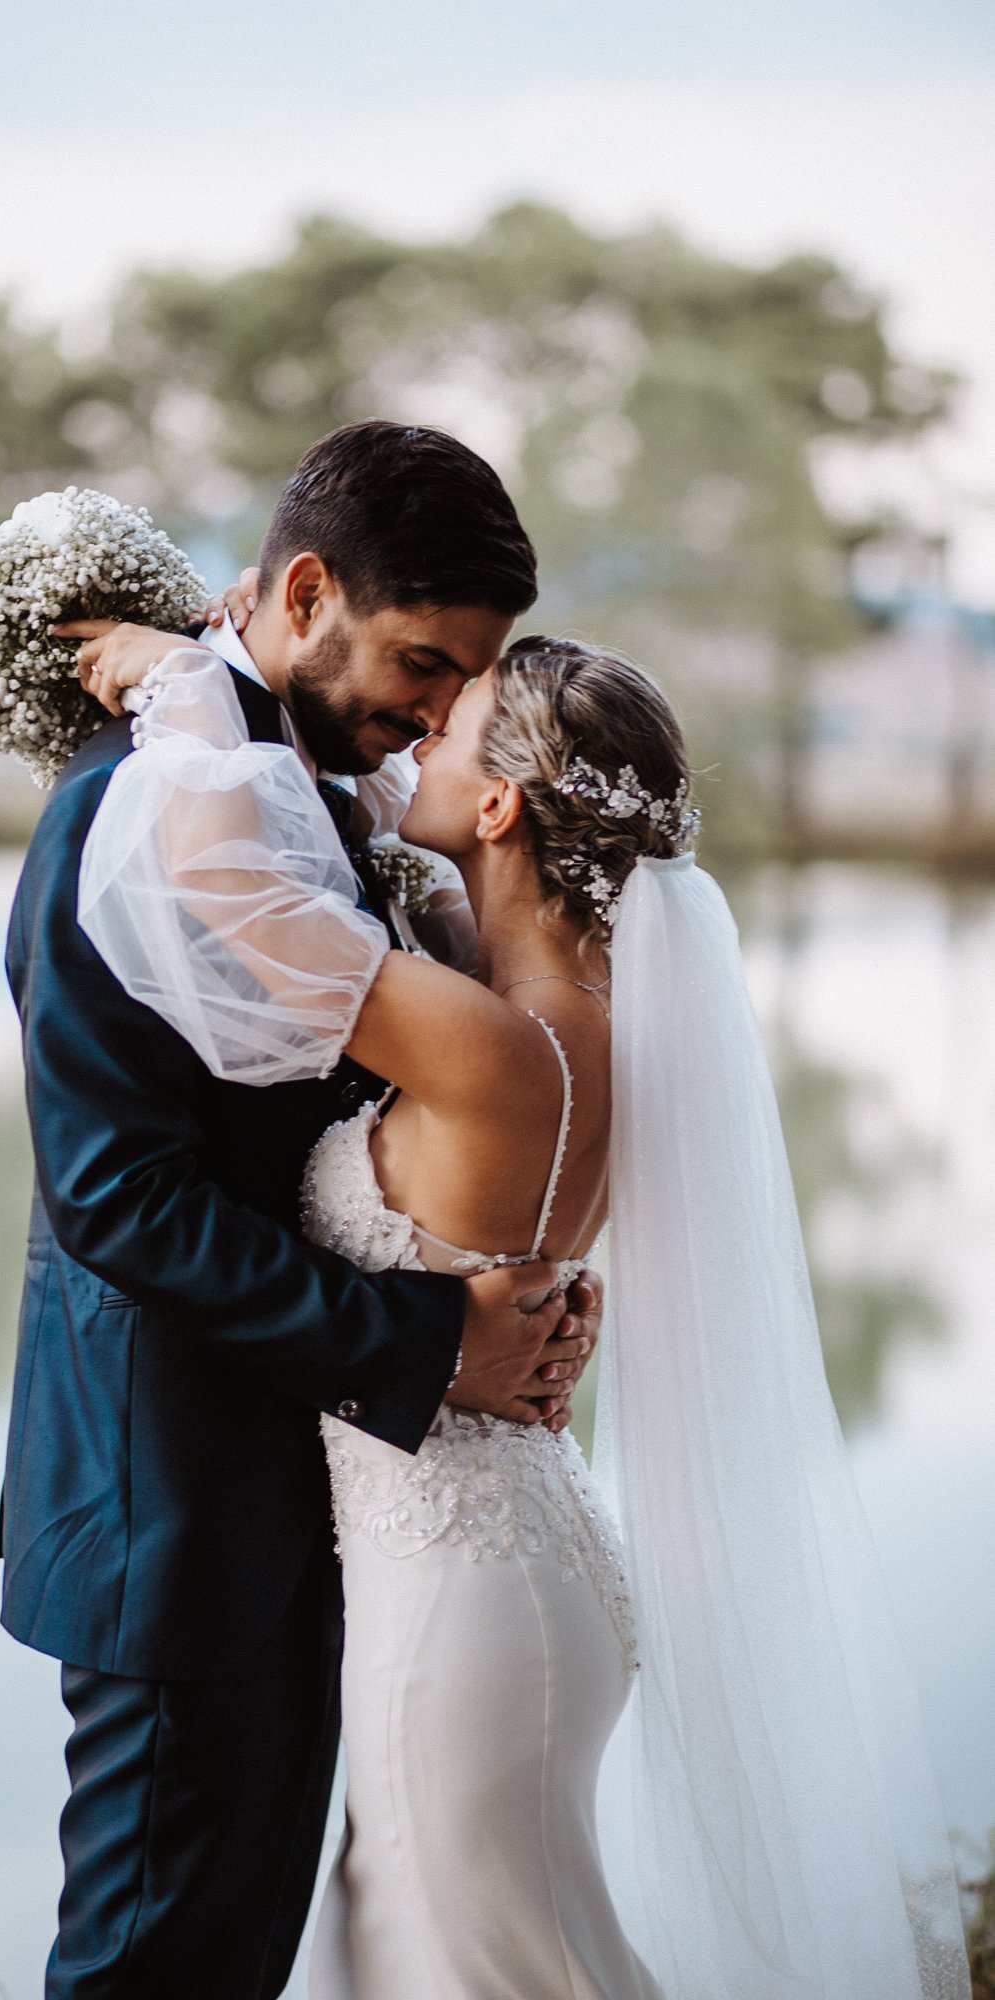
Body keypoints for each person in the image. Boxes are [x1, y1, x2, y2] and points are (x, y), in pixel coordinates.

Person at [80, 602, 971, 1997]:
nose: (415, 731)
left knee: (501, 1974)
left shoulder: (493, 1043)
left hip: (460, 1601)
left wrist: (188, 684)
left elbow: (227, 890)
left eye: (445, 721)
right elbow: (396, 876)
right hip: (501, 1564)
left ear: (497, 803)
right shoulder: (559, 1003)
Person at [0, 420, 603, 2000]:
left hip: (340, 1505)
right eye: (419, 662)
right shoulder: (130, 820)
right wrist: (428, 1342)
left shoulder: (305, 796)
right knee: (159, 1969)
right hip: (177, 1509)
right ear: (308, 589)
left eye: (457, 688)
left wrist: (498, 1271)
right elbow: (119, 1199)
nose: (430, 714)